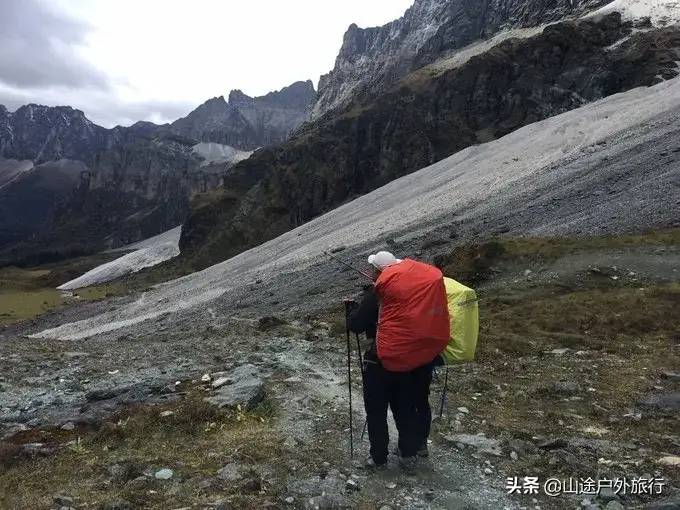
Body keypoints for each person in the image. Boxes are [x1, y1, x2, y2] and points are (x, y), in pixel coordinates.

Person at [348, 251, 450, 473]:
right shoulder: (417, 293)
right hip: (410, 362)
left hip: (379, 363)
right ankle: (409, 453)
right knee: (404, 409)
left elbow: (356, 324)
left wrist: (350, 310)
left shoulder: (380, 294)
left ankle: (379, 459)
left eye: (374, 269)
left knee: (376, 412)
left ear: (378, 271)